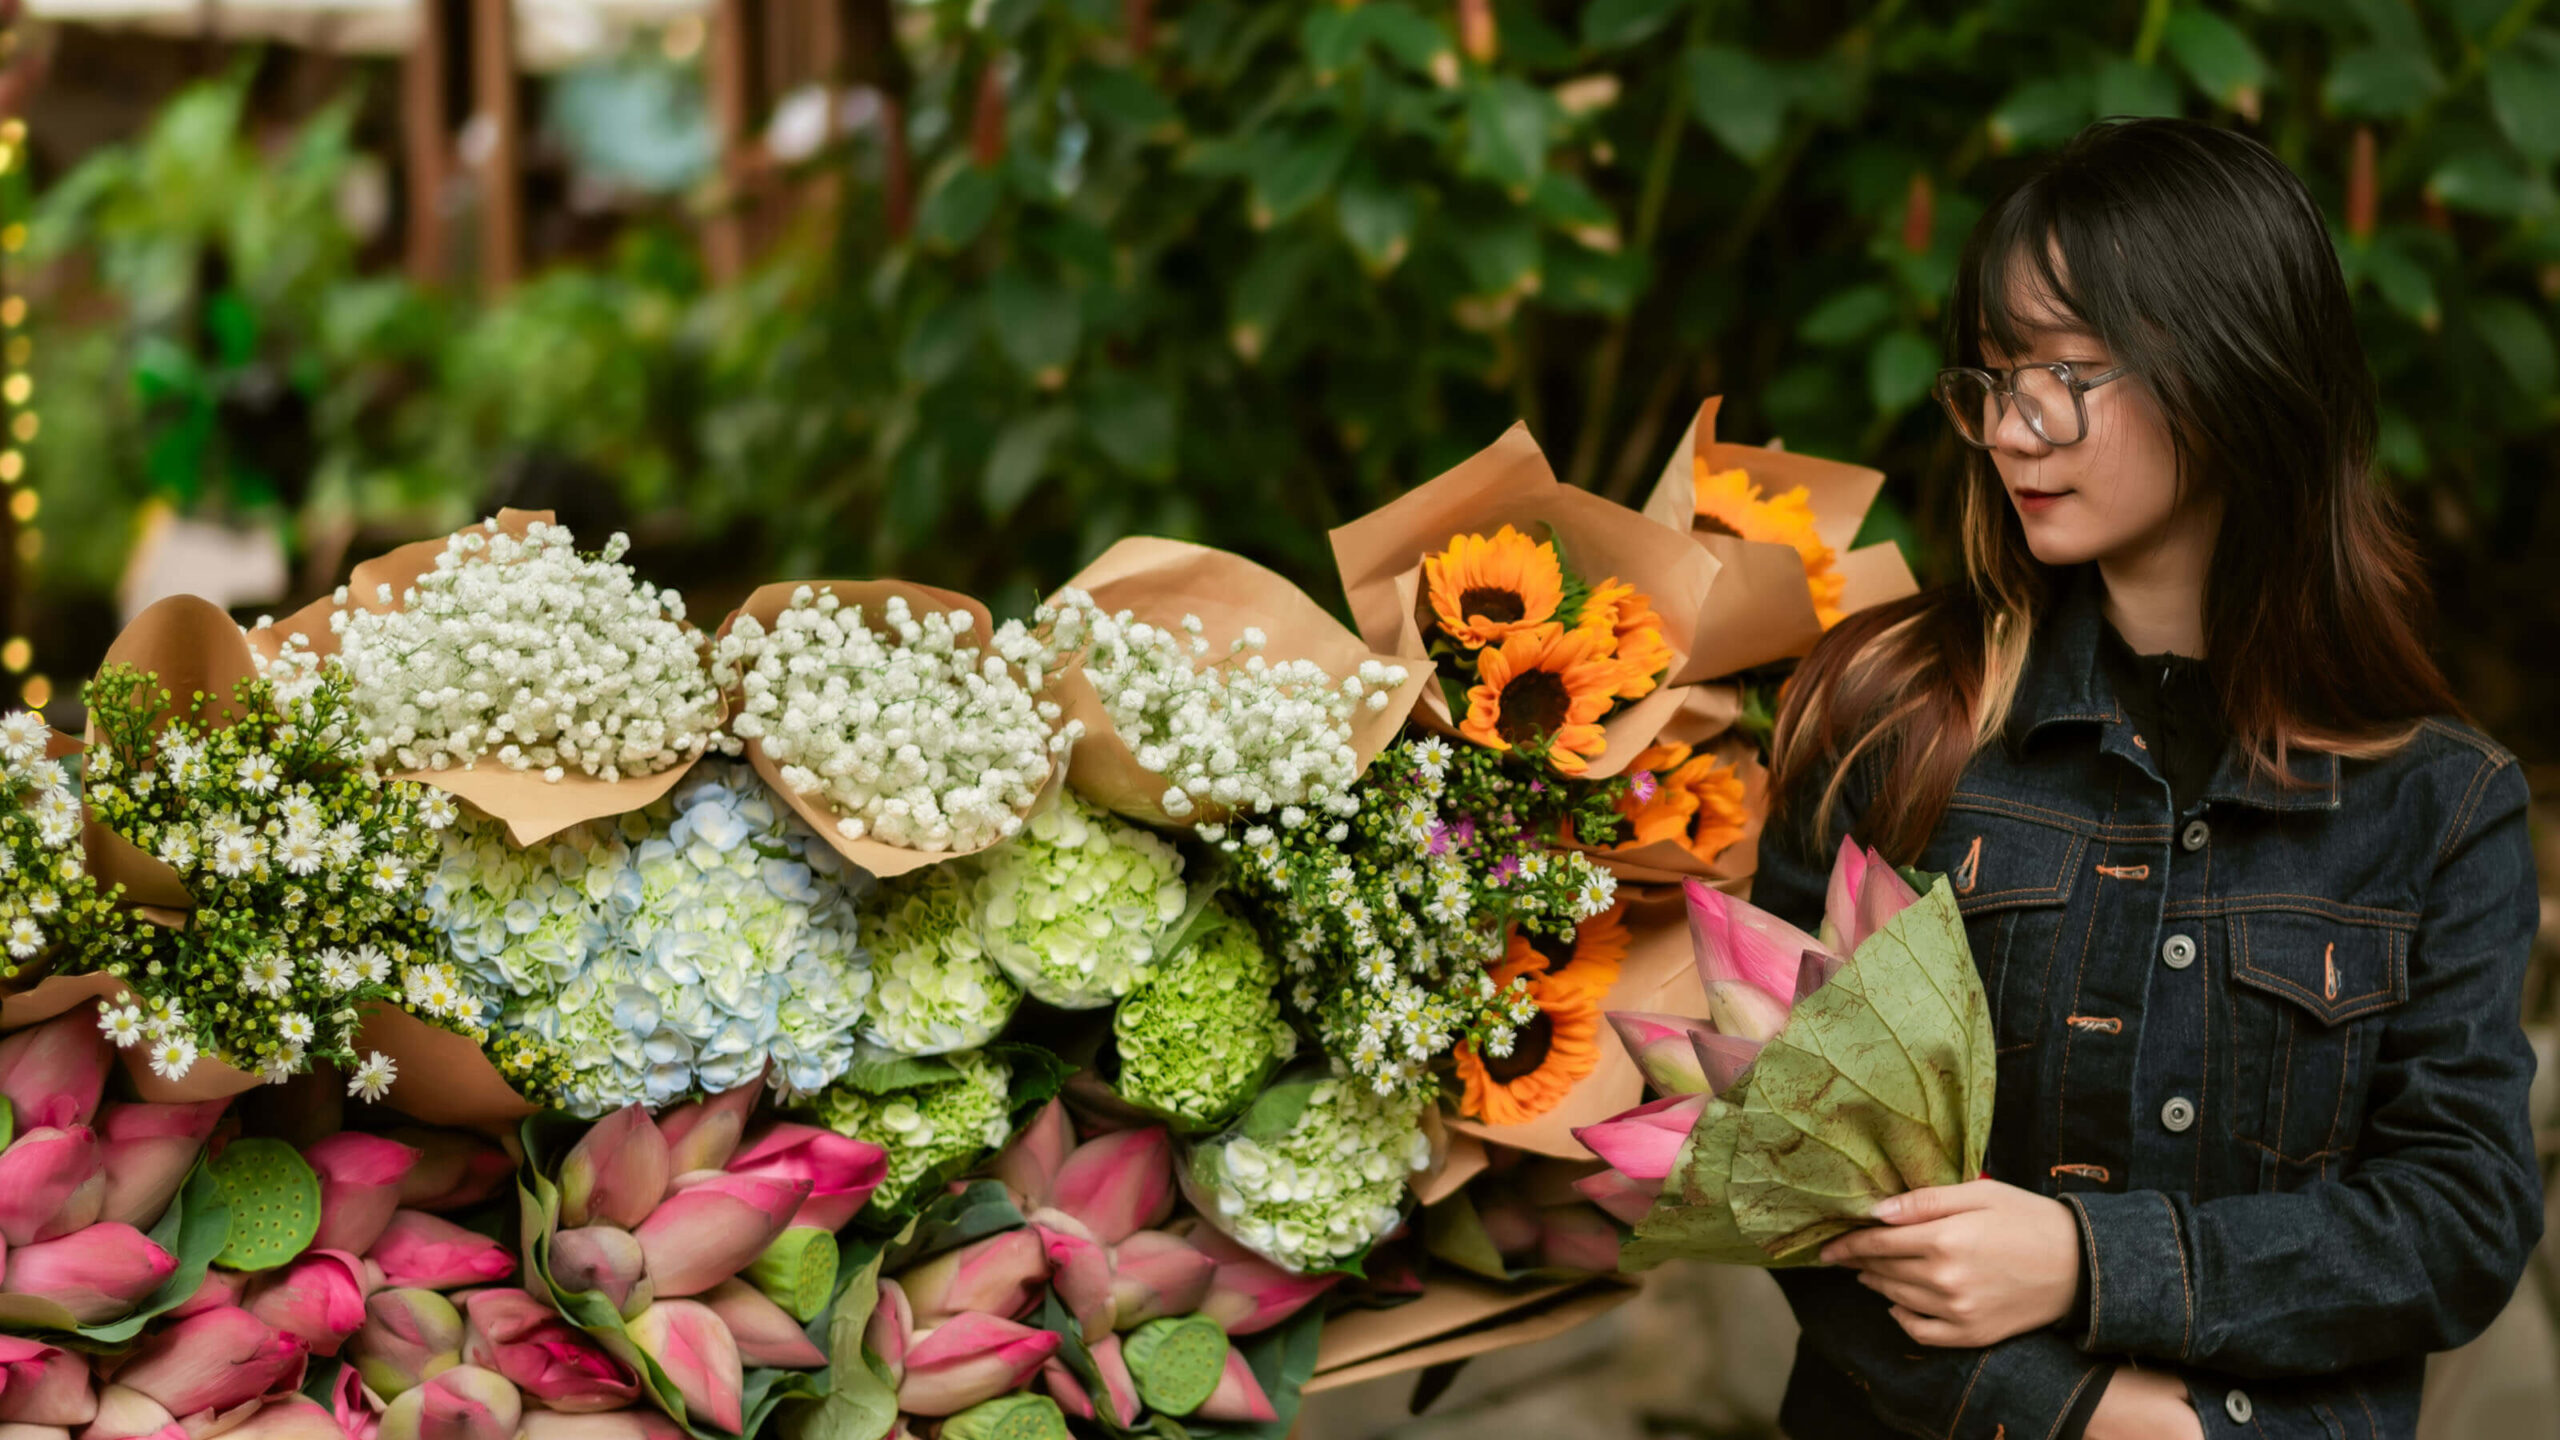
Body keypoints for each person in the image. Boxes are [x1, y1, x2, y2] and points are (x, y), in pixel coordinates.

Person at [1749, 116, 2540, 1440]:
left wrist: (2084, 1260)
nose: (2010, 431)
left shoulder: (2437, 804)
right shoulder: (1894, 716)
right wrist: (2086, 1413)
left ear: (2234, 367)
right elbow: (1785, 1171)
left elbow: (2454, 1222)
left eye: (2063, 374)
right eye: (1991, 379)